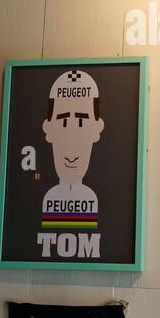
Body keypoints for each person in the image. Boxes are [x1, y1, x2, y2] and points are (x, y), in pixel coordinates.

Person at [40, 69, 105, 231]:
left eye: (81, 123)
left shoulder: (92, 198)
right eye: (63, 123)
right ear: (48, 128)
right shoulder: (49, 198)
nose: (72, 137)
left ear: (97, 128)